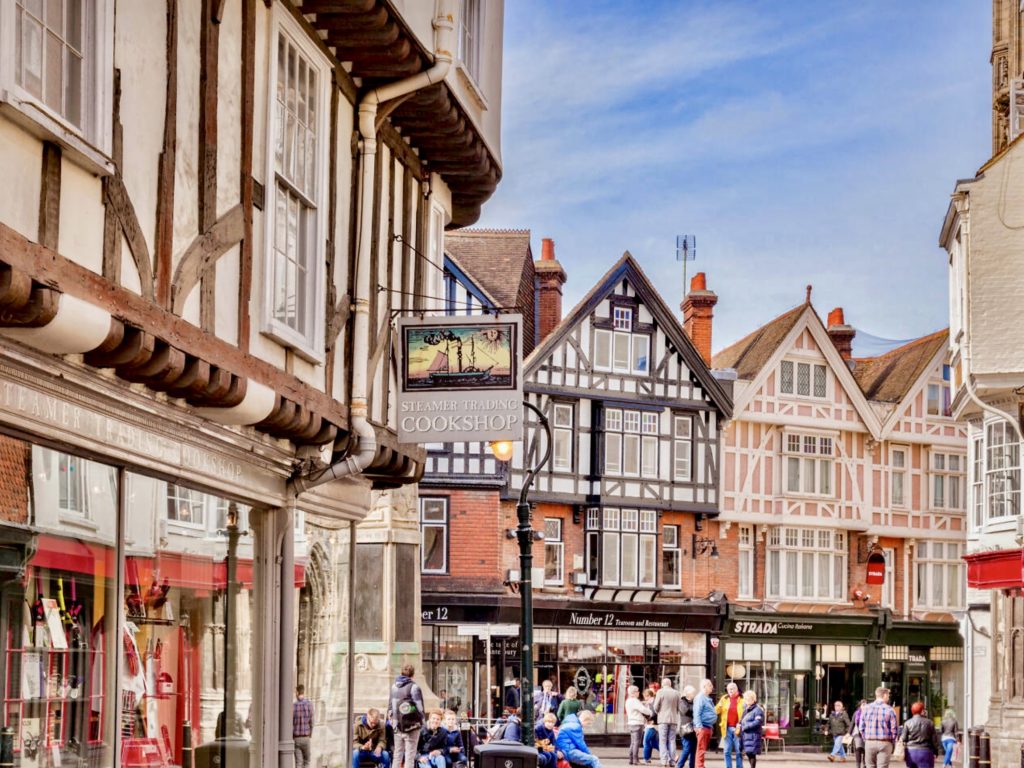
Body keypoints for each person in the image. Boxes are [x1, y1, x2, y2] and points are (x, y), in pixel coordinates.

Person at [389, 664, 427, 768]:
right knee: (410, 756)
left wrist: (392, 721)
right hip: (411, 725)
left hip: (397, 725)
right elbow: (420, 707)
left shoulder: (394, 686)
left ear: (401, 673)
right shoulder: (414, 687)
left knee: (397, 754)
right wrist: (423, 721)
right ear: (413, 675)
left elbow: (390, 706)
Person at [861, 687, 898, 768]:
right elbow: (894, 729)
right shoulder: (890, 710)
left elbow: (861, 727)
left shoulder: (866, 708)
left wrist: (866, 738)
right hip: (885, 742)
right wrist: (893, 741)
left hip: (870, 742)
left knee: (870, 766)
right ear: (884, 695)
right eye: (888, 696)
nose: (888, 698)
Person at [900, 702, 942, 768]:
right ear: (922, 711)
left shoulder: (907, 723)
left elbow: (904, 738)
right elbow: (934, 740)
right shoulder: (929, 723)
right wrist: (936, 751)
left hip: (911, 752)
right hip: (925, 752)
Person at [715, 682, 745, 768]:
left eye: (732, 689)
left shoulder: (742, 699)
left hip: (738, 728)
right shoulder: (724, 698)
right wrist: (719, 706)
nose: (730, 691)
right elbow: (716, 711)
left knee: (738, 751)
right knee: (726, 751)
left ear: (736, 689)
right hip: (726, 728)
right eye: (728, 689)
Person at [653, 677, 681, 767]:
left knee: (663, 740)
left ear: (662, 684)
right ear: (670, 684)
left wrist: (659, 712)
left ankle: (664, 761)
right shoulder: (677, 693)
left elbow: (655, 707)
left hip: (662, 719)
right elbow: (679, 707)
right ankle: (672, 761)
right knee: (672, 740)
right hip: (673, 719)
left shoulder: (660, 692)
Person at [692, 680, 717, 768]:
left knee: (703, 748)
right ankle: (699, 766)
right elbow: (697, 712)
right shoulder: (700, 698)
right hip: (703, 727)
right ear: (704, 687)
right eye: (709, 685)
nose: (712, 687)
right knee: (701, 749)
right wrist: (698, 726)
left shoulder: (707, 698)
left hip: (707, 727)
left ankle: (700, 765)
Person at [627, 685, 653, 765]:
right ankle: (635, 760)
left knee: (633, 742)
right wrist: (650, 712)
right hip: (637, 723)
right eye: (637, 691)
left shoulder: (628, 700)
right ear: (634, 693)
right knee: (636, 743)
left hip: (631, 723)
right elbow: (643, 709)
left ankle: (631, 759)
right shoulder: (634, 701)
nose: (639, 693)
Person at [739, 691, 764, 768]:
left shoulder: (758, 710)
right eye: (746, 699)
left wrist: (746, 726)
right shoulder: (746, 709)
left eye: (749, 699)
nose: (747, 700)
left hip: (753, 735)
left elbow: (758, 722)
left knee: (751, 754)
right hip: (746, 736)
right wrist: (739, 725)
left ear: (754, 699)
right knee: (749, 754)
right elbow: (742, 720)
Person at [677, 685, 697, 768]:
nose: (694, 695)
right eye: (693, 693)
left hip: (694, 728)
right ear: (687, 694)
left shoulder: (694, 702)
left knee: (693, 749)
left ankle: (692, 766)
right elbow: (686, 711)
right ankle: (679, 765)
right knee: (687, 748)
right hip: (686, 729)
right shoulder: (682, 701)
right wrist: (696, 710)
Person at [294, 685, 314, 768]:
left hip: (296, 738)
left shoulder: (293, 706)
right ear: (303, 691)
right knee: (307, 762)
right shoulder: (309, 704)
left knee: (298, 763)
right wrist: (310, 734)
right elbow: (312, 722)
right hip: (306, 737)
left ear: (297, 692)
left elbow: (290, 723)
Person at [642, 688, 659, 765]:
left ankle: (646, 759)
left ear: (648, 696)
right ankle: (671, 755)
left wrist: (649, 719)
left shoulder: (651, 702)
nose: (645, 698)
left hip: (651, 726)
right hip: (654, 725)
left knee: (645, 742)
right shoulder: (653, 701)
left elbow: (654, 713)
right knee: (653, 743)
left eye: (645, 696)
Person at [851, 701, 868, 768]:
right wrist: (849, 733)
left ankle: (865, 764)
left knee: (865, 750)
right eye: (863, 705)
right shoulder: (856, 713)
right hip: (857, 733)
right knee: (858, 748)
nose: (864, 706)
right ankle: (858, 765)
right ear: (860, 706)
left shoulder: (869, 713)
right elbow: (852, 723)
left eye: (865, 705)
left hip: (866, 734)